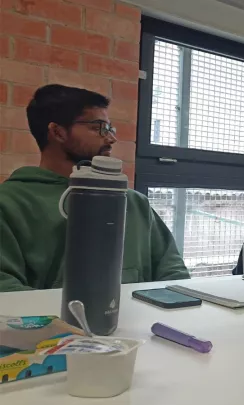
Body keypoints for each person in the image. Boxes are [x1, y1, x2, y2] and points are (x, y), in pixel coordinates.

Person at [0, 85, 189, 292]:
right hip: (56, 324)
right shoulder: (9, 203)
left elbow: (173, 273)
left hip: (142, 322)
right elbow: (6, 289)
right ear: (58, 132)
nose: (111, 138)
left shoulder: (134, 202)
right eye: (98, 127)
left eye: (109, 128)